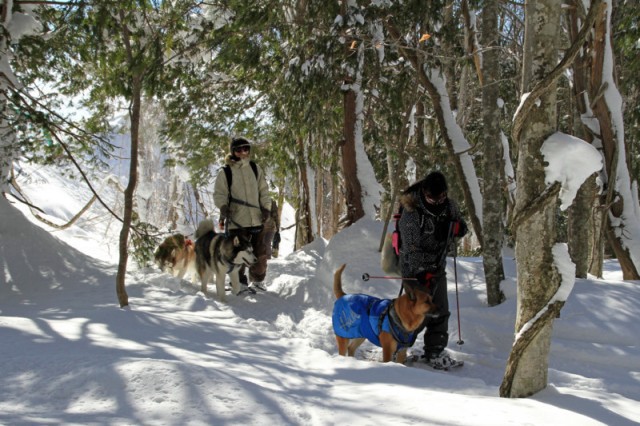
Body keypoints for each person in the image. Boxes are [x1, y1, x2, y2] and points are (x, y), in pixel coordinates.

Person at [398, 171, 468, 369]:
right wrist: (420, 270)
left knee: (440, 310)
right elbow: (409, 247)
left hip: (438, 266)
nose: (437, 202)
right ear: (424, 193)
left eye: (441, 197)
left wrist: (456, 228)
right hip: (414, 270)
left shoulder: (449, 206)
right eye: (432, 198)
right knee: (417, 314)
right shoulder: (411, 211)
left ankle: (435, 351)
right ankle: (398, 346)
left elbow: (462, 226)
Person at [213, 137, 273, 292]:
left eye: (246, 149)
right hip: (236, 220)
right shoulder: (225, 172)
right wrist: (223, 207)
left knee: (260, 251)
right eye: (239, 150)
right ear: (233, 151)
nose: (243, 153)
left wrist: (266, 208)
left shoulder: (255, 168)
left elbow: (264, 191)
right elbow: (220, 194)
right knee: (238, 253)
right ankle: (238, 282)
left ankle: (258, 281)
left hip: (257, 218)